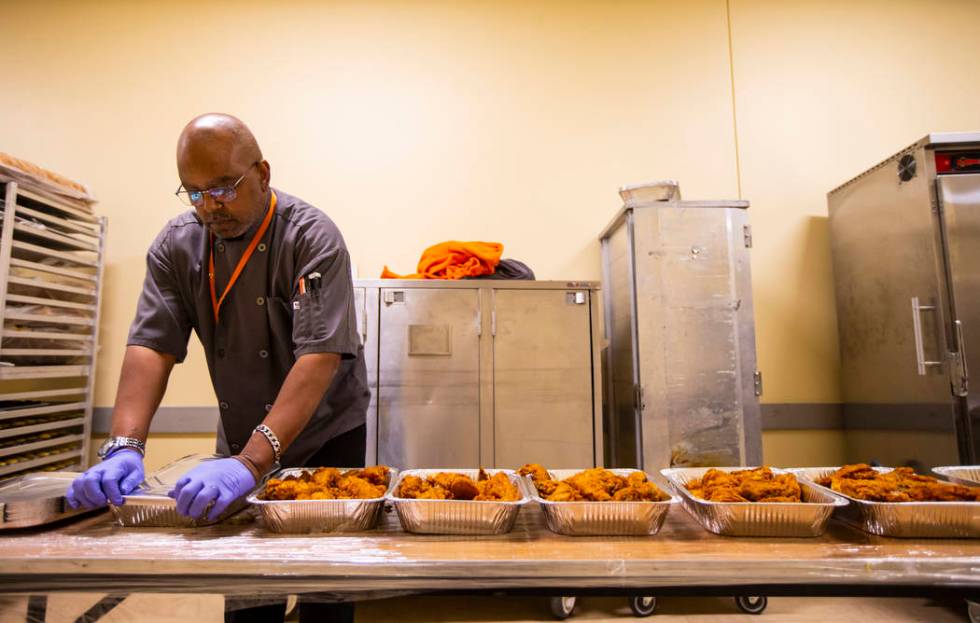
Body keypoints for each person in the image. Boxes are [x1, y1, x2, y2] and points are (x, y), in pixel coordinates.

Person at [66, 113, 368, 623]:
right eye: (195, 193)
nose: (210, 207)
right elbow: (150, 346)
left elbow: (318, 358)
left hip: (327, 434)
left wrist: (253, 463)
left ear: (263, 173)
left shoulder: (313, 237)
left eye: (224, 188)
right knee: (248, 589)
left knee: (326, 588)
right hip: (240, 430)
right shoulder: (176, 245)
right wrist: (125, 446)